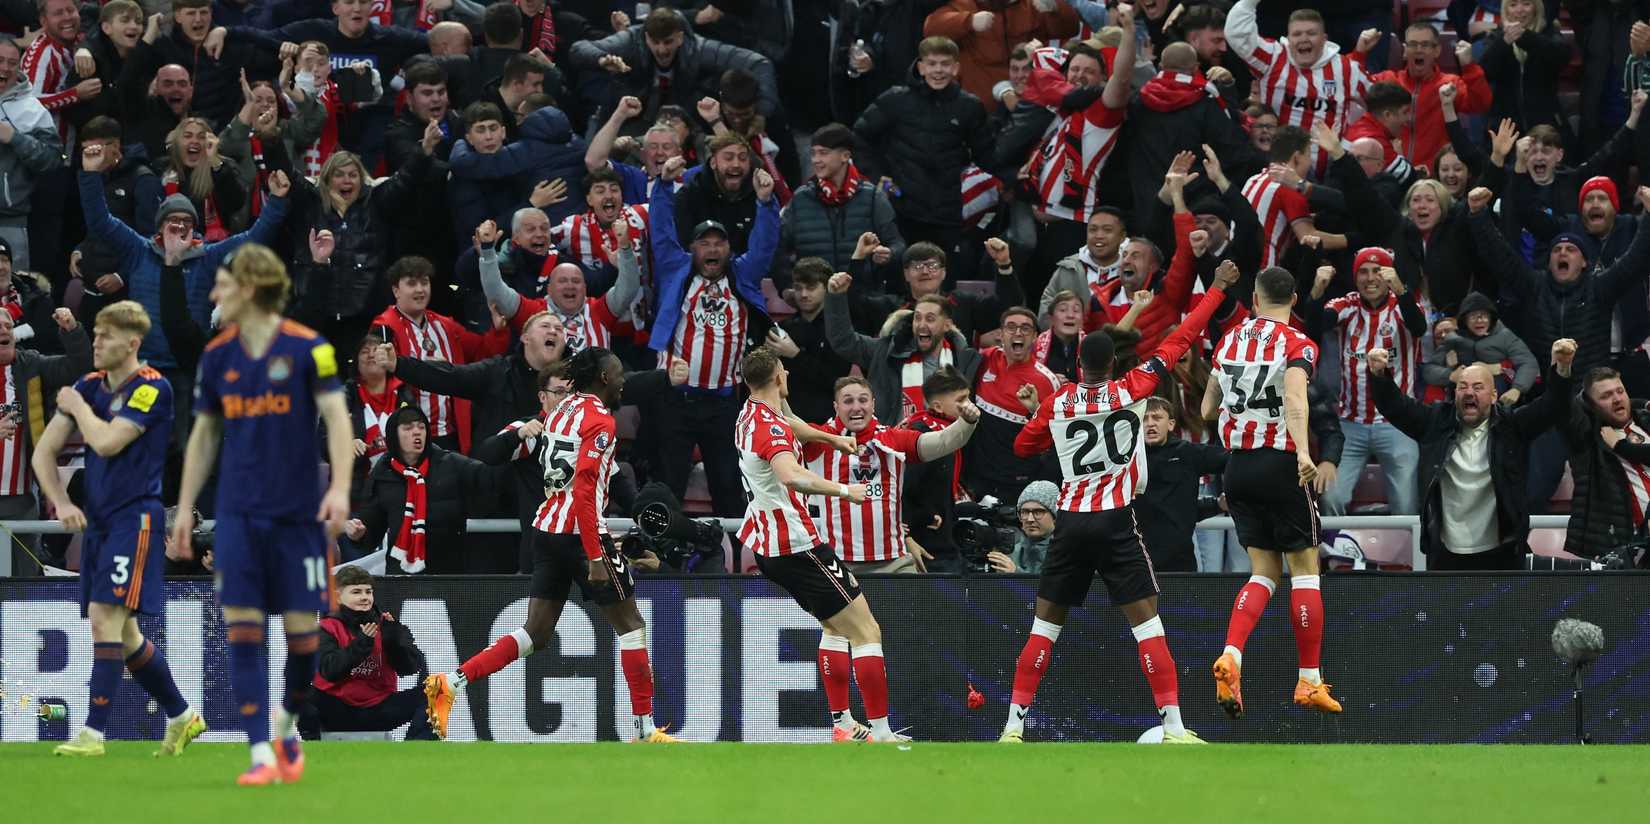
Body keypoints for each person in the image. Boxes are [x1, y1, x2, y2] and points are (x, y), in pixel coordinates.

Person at [997, 258, 1237, 745]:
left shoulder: (1059, 401)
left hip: (1070, 523)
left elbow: (1023, 446)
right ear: (1112, 364)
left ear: (1080, 362)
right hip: (1115, 521)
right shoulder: (1134, 388)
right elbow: (1179, 340)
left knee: (1044, 628)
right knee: (1147, 626)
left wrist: (1050, 434)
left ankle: (1012, 726)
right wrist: (1214, 290)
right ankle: (1173, 726)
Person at [424, 348, 680, 743]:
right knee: (632, 627)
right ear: (604, 378)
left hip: (545, 529)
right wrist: (597, 555)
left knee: (536, 634)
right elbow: (584, 489)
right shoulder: (601, 421)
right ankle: (645, 729)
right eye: (618, 371)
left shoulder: (559, 412)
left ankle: (451, 682)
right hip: (579, 535)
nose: (623, 378)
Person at [169, 245, 355, 786]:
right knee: (242, 631)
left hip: (298, 519)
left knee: (303, 639)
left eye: (222, 284)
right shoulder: (217, 355)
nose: (213, 294)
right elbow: (204, 435)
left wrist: (340, 488)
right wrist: (184, 508)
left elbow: (338, 420)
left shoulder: (309, 349)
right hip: (238, 517)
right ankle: (258, 754)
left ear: (248, 288)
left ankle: (286, 723)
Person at [32, 301, 205, 757]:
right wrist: (64, 499)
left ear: (132, 343)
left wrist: (75, 406)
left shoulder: (152, 388)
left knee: (105, 619)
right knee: (122, 633)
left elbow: (107, 442)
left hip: (136, 517)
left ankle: (92, 733)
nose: (96, 343)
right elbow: (42, 453)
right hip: (99, 521)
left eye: (104, 337)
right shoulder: (88, 385)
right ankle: (184, 716)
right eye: (95, 336)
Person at [735, 345, 908, 743]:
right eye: (785, 371)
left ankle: (844, 725)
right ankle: (881, 731)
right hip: (797, 544)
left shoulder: (752, 413)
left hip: (768, 545)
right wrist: (846, 491)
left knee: (833, 626)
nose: (789, 376)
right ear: (779, 376)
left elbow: (792, 425)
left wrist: (832, 440)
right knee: (866, 630)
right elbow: (792, 475)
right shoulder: (770, 427)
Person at [1203, 265, 1340, 721]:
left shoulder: (1228, 342)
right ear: (1295, 300)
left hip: (1237, 467)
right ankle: (1309, 679)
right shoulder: (1297, 344)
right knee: (1305, 571)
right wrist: (1304, 452)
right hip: (1281, 463)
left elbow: (1207, 409)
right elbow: (1296, 398)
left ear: (1255, 301)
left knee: (1262, 572)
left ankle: (1232, 654)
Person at [1368, 339, 1577, 570]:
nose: (1469, 392)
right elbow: (1395, 406)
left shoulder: (1512, 426)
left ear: (1495, 395)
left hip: (1503, 549)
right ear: (1454, 393)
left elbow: (1553, 406)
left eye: (1478, 387)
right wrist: (1379, 374)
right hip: (1444, 550)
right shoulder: (1435, 423)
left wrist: (1562, 367)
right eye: (1463, 387)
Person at [648, 155, 780, 517]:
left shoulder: (742, 276)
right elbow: (659, 232)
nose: (711, 249)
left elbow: (765, 245)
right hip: (677, 401)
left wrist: (766, 204)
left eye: (718, 243)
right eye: (703, 243)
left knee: (729, 488)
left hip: (724, 405)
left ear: (728, 249)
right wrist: (661, 187)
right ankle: (664, 564)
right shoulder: (677, 271)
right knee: (668, 484)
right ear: (693, 248)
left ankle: (735, 568)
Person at [801, 375, 980, 575]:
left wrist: (968, 421)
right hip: (839, 565)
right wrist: (776, 388)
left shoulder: (892, 438)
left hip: (894, 563)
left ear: (873, 404)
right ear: (836, 407)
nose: (856, 407)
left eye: (863, 400)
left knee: (916, 605)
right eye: (848, 401)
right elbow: (782, 424)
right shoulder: (820, 439)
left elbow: (943, 442)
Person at [1308, 250, 1427, 517]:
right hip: (1351, 423)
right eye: (1363, 271)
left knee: (1407, 505)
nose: (1370, 278)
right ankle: (1337, 557)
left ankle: (1406, 560)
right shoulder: (1345, 306)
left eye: (1377, 270)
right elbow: (1315, 327)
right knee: (1330, 498)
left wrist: (1401, 289)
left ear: (1389, 275)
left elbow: (1419, 327)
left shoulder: (1404, 307)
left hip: (1398, 423)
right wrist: (1317, 290)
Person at [343, 405, 497, 574]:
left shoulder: (451, 463)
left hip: (449, 573)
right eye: (408, 428)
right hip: (401, 575)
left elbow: (489, 479)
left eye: (421, 427)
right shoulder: (382, 473)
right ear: (394, 435)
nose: (417, 432)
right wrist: (358, 535)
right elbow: (371, 528)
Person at [1226, 2, 1375, 175]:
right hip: (1277, 169)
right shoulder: (1274, 57)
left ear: (1324, 39)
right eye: (1297, 34)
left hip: (1328, 174)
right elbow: (1237, 35)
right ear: (1289, 39)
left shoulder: (1348, 69)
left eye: (1311, 33)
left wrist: (1350, 142)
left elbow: (1380, 106)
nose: (1304, 38)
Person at [0, 306, 90, 576]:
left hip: (21, 500)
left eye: (7, 325)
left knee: (22, 580)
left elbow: (80, 367)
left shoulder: (31, 366)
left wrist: (72, 331)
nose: (4, 329)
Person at [304, 565, 436, 740]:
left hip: (379, 709)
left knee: (437, 693)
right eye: (356, 592)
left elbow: (410, 669)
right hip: (338, 710)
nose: (365, 597)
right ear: (337, 597)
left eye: (368, 592)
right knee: (299, 694)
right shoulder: (327, 628)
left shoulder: (387, 624)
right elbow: (330, 671)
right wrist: (362, 644)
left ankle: (413, 753)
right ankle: (315, 748)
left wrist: (394, 641)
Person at [1560, 366, 1650, 566]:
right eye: (1606, 396)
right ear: (1590, 404)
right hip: (1628, 546)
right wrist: (1563, 368)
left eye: (1620, 391)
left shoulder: (1645, 420)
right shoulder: (1587, 438)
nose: (1617, 399)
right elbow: (1563, 409)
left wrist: (1621, 446)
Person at [1138, 396, 1228, 573]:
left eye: (1156, 418)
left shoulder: (1187, 454)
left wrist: (1219, 504)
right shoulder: (1127, 461)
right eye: (1144, 419)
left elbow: (1234, 460)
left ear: (1171, 424)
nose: (1150, 424)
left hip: (1179, 563)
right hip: (1137, 564)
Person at [0, 35, 65, 270]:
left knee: (11, 295)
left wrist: (14, 138)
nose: (5, 68)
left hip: (10, 221)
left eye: (12, 62)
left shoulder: (33, 110)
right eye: (0, 61)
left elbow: (52, 160)